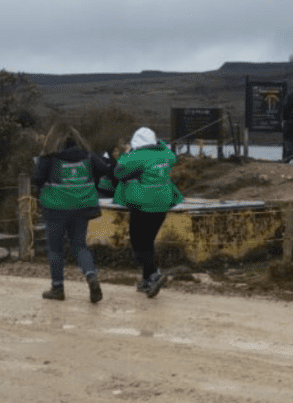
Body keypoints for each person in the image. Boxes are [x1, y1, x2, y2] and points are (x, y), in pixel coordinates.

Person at [33, 124, 113, 303]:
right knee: (79, 246)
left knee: (55, 248)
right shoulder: (87, 155)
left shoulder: (48, 157)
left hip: (56, 208)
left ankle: (57, 288)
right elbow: (104, 170)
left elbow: (37, 179)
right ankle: (91, 276)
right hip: (82, 206)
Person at [113, 127, 184, 298]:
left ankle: (154, 275)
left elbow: (119, 172)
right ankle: (147, 280)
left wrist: (126, 153)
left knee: (139, 243)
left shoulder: (136, 157)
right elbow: (171, 155)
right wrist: (159, 144)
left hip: (142, 204)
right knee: (148, 242)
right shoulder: (167, 155)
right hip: (163, 203)